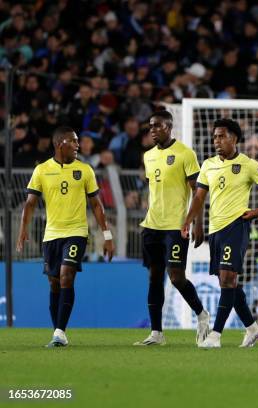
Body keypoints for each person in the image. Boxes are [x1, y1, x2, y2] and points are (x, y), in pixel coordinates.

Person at [182, 118, 258, 348]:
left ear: (234, 138)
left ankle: (215, 335)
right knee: (228, 283)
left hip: (237, 226)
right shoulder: (208, 165)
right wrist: (192, 222)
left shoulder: (248, 164)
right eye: (215, 136)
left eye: (222, 136)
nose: (217, 141)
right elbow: (198, 197)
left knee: (227, 279)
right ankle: (253, 328)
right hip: (215, 231)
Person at [17, 126, 115, 347]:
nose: (77, 145)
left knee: (66, 276)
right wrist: (23, 228)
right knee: (53, 283)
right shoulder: (42, 170)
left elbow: (97, 205)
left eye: (77, 141)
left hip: (77, 232)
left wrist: (107, 235)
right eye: (73, 141)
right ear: (60, 143)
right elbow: (30, 203)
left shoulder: (85, 170)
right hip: (51, 235)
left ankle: (60, 331)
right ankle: (58, 332)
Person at [134, 110, 209, 346]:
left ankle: (201, 314)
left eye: (157, 126)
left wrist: (197, 222)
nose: (152, 130)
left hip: (176, 227)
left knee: (176, 277)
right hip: (152, 225)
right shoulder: (148, 156)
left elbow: (197, 192)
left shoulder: (185, 154)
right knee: (154, 277)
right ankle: (157, 333)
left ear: (169, 127)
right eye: (150, 127)